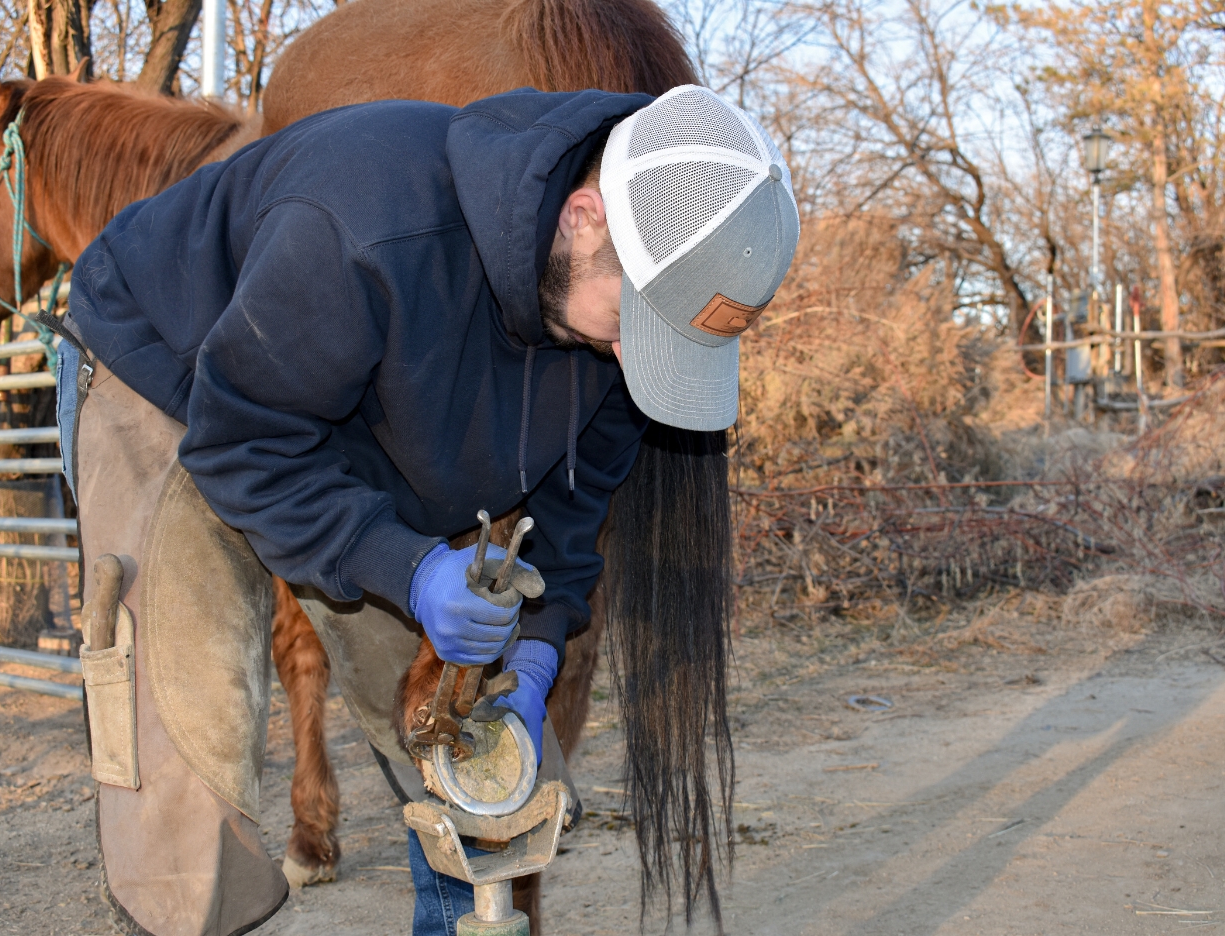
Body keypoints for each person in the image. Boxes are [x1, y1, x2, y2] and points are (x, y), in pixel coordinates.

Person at [57, 84, 798, 936]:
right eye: (637, 323)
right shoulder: (365, 221)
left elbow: (570, 510)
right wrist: (408, 567)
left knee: (472, 735)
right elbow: (242, 444)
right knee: (189, 739)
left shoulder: (617, 326)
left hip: (346, 386)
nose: (638, 357)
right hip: (171, 374)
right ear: (585, 216)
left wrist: (540, 654)